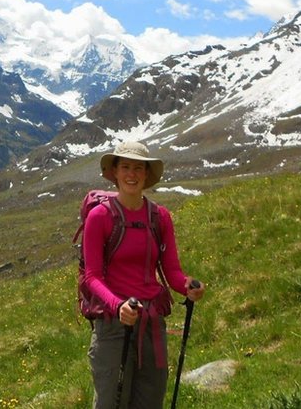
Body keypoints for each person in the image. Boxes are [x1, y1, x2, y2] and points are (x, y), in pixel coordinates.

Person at [84, 140, 206, 408]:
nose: (132, 174)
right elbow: (91, 276)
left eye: (138, 168)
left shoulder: (160, 217)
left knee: (150, 400)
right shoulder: (99, 217)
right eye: (125, 167)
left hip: (152, 322)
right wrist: (118, 307)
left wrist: (187, 286)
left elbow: (172, 270)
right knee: (110, 403)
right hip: (112, 324)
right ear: (114, 172)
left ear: (146, 174)